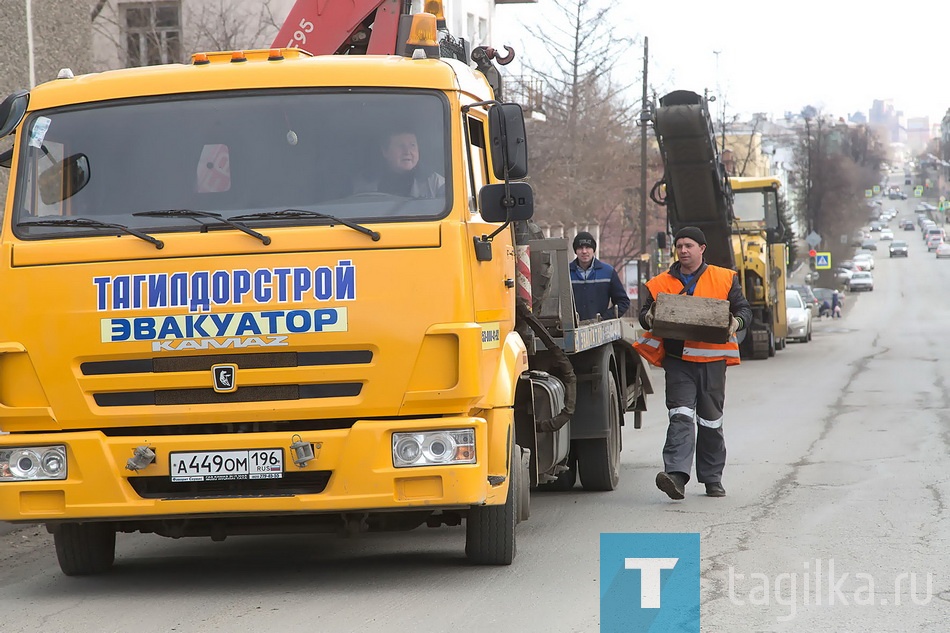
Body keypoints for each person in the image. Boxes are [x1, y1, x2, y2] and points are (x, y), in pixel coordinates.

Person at [633, 226, 752, 500]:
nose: (683, 250)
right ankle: (675, 476)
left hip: (712, 363)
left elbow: (744, 310)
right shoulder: (660, 283)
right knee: (681, 417)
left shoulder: (724, 278)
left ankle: (712, 479)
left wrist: (737, 322)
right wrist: (649, 317)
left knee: (711, 422)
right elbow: (643, 314)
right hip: (678, 362)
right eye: (679, 246)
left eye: (689, 245)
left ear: (702, 249)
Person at [353, 129, 444, 198]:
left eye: (412, 145)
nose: (407, 152)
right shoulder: (366, 182)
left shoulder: (436, 183)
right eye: (400, 146)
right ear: (385, 151)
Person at [569, 231, 630, 322]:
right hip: (572, 329)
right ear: (575, 251)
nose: (584, 251)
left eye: (588, 247)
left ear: (593, 249)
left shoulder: (608, 272)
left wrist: (605, 318)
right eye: (580, 248)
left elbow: (623, 302)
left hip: (601, 330)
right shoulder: (566, 273)